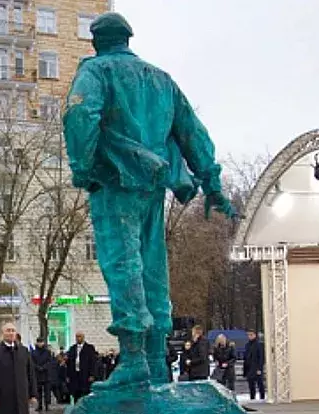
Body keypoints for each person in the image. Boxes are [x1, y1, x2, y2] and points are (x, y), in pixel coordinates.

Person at [63, 12, 233, 388]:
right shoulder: (161, 80)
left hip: (115, 178)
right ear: (128, 39)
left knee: (122, 263)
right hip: (153, 185)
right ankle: (156, 359)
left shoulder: (97, 71)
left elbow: (79, 114)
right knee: (153, 266)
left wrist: (83, 165)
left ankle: (136, 357)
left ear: (97, 41)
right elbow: (192, 132)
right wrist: (212, 182)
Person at [65, 332, 97, 402]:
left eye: (79, 336)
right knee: (76, 392)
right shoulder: (72, 348)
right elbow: (69, 363)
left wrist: (92, 374)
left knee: (85, 391)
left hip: (85, 374)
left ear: (83, 337)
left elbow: (93, 362)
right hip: (75, 374)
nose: (78, 338)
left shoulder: (89, 348)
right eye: (76, 337)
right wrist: (68, 375)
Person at [31, 337, 56, 412]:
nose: (40, 343)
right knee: (38, 391)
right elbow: (32, 362)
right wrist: (38, 367)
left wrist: (44, 367)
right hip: (38, 374)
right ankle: (40, 405)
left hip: (46, 374)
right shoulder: (33, 352)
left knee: (47, 391)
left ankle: (47, 405)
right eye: (38, 342)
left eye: (41, 342)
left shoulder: (47, 352)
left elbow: (50, 361)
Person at [243, 329, 266, 400]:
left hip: (256, 367)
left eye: (251, 335)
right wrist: (245, 369)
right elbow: (246, 357)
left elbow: (261, 357)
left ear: (255, 335)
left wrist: (259, 368)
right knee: (251, 385)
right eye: (248, 335)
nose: (249, 336)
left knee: (260, 384)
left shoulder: (259, 344)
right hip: (249, 368)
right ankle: (252, 398)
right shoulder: (247, 345)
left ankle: (262, 397)